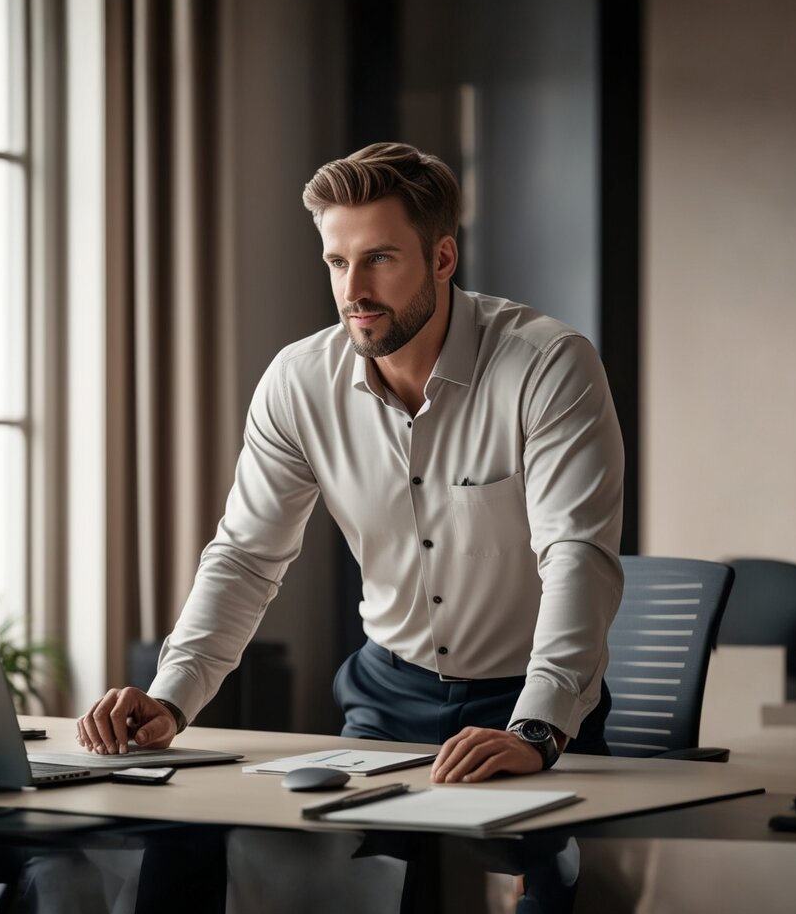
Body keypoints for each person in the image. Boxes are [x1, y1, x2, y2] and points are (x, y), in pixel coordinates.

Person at [77, 141, 624, 783]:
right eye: (337, 262)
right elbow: (247, 558)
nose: (353, 291)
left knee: (550, 873)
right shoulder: (300, 381)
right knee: (331, 867)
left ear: (442, 257)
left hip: (527, 698)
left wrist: (539, 726)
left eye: (380, 259)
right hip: (386, 697)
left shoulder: (548, 365)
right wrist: (169, 698)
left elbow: (576, 555)